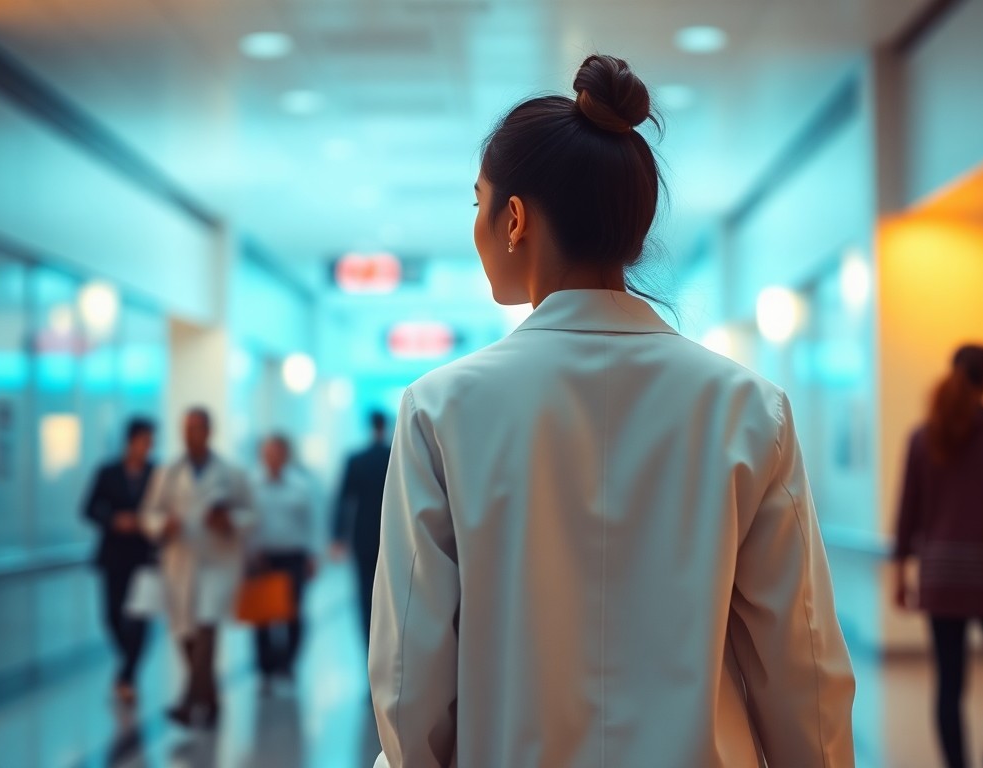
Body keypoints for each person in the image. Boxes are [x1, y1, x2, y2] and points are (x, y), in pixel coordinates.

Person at [368, 55, 855, 768]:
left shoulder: (439, 411)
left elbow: (411, 684)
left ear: (513, 218)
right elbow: (801, 667)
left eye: (477, 203)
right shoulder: (750, 412)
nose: (476, 226)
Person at [894, 345, 983, 768]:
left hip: (941, 577)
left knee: (949, 681)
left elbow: (908, 513)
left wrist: (900, 577)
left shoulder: (924, 438)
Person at [141, 407, 255, 729]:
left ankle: (188, 702)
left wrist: (228, 521)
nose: (191, 434)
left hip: (218, 562)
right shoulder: (168, 472)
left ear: (209, 431)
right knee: (186, 635)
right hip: (181, 562)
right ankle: (212, 700)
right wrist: (164, 524)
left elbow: (251, 514)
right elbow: (149, 512)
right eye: (186, 428)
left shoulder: (231, 472)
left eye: (197, 428)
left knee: (206, 628)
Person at [82, 417, 157, 704]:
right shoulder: (108, 472)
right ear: (131, 441)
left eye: (151, 443)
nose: (148, 448)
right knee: (112, 616)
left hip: (145, 557)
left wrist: (145, 522)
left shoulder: (156, 473)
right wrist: (114, 520)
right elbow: (88, 508)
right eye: (144, 441)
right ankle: (129, 665)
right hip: (114, 556)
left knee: (140, 619)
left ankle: (126, 676)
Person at [248, 433, 318, 693]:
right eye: (268, 453)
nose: (272, 458)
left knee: (293, 613)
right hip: (262, 558)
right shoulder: (252, 484)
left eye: (277, 453)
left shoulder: (300, 485)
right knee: (263, 617)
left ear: (286, 455)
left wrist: (313, 554)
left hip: (293, 556)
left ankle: (287, 663)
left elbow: (312, 521)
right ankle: (265, 669)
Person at [330, 410, 391, 642]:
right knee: (389, 591)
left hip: (362, 535)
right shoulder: (393, 456)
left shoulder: (357, 459)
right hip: (390, 535)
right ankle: (387, 639)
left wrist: (337, 536)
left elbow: (344, 499)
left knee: (365, 592)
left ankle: (369, 640)